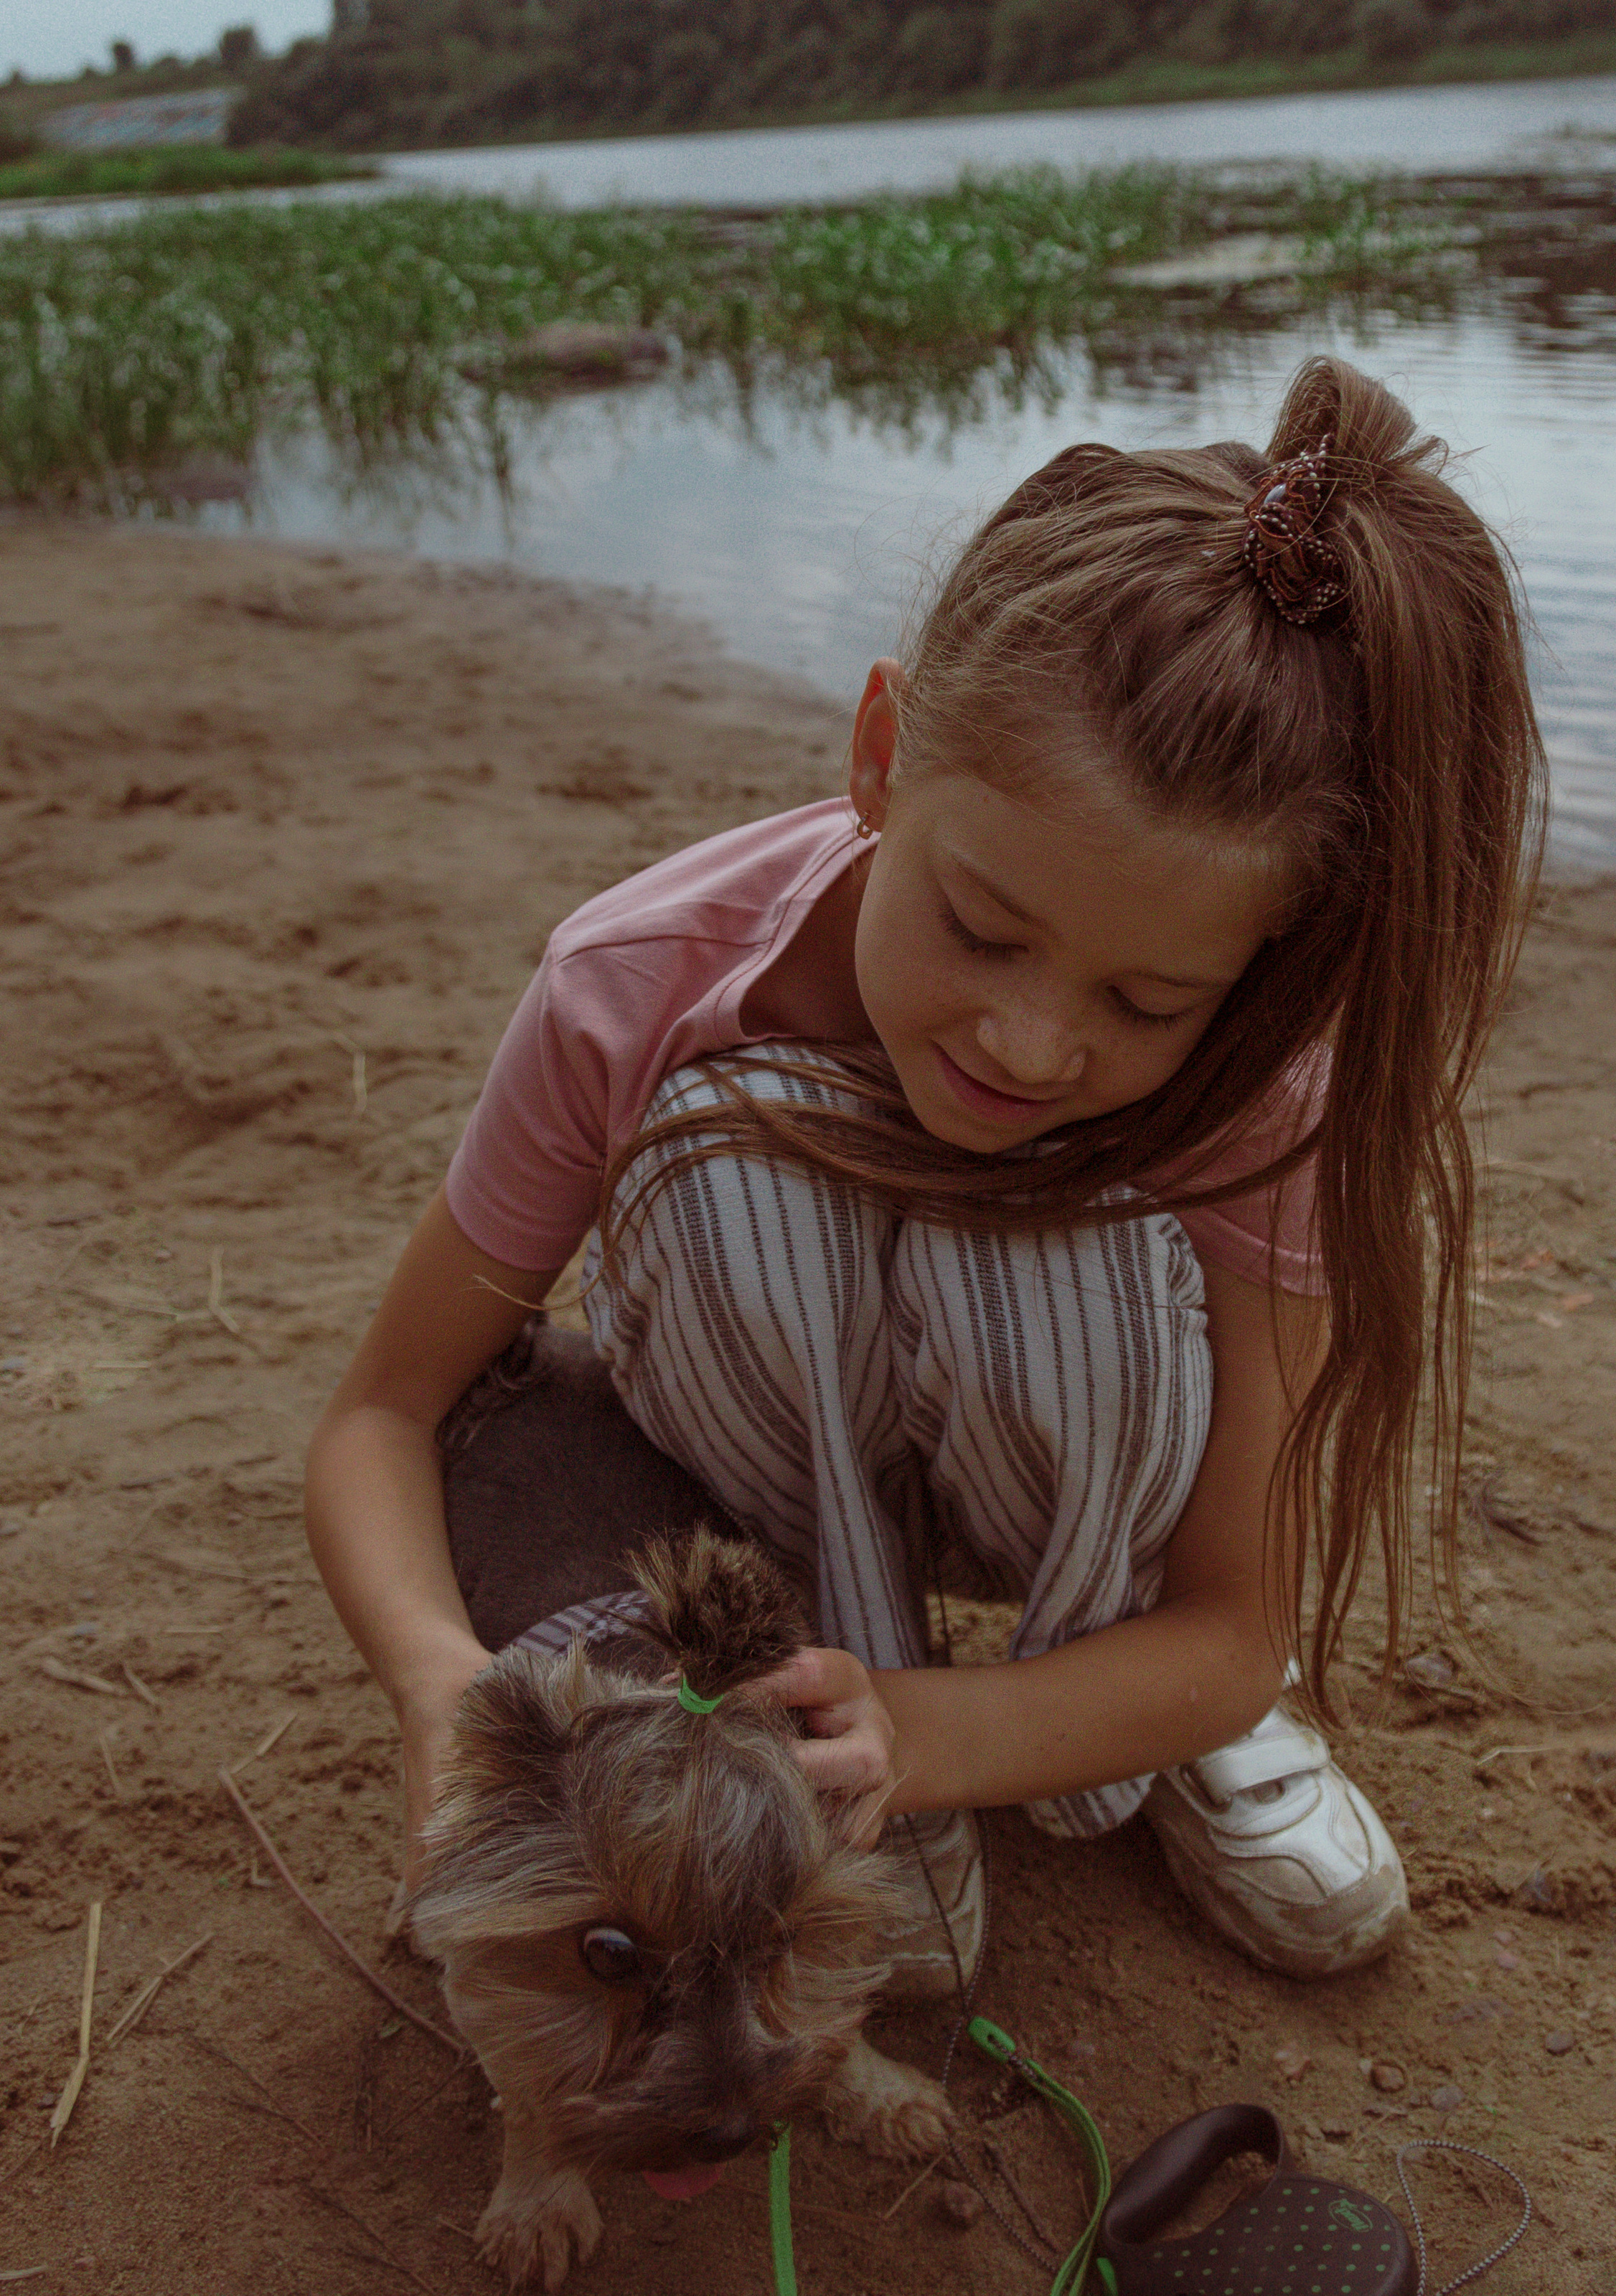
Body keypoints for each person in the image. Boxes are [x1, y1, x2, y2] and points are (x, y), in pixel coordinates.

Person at [305, 355, 1544, 1988]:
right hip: (783, 1484)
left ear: (1247, 969)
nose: (1031, 1045)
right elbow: (382, 1417)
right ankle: (834, 1708)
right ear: (881, 752)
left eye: (1145, 1002)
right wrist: (440, 1684)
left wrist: (938, 1730)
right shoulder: (631, 980)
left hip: (1096, 1530)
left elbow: (1235, 1614)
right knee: (726, 1156)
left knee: (1058, 1254)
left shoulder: (1265, 1087)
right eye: (978, 924)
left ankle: (1125, 1732)